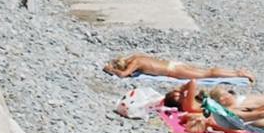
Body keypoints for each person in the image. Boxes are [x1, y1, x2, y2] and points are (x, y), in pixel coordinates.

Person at [102, 52, 254, 80]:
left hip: (173, 71)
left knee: (208, 74)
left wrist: (111, 70)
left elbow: (123, 75)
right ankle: (237, 72)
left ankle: (239, 74)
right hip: (174, 64)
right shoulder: (136, 56)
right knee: (209, 71)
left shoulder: (135, 63)